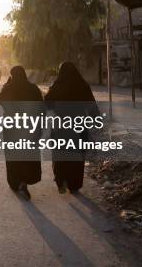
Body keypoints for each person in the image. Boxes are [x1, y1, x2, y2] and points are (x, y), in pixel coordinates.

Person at [45, 61, 99, 194]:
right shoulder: (82, 85)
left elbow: (47, 102)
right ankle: (74, 184)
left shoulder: (57, 85)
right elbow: (91, 105)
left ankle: (61, 180)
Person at [0, 65, 44, 200]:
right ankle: (25, 181)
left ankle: (15, 182)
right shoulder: (33, 88)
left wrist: (7, 84)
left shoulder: (9, 88)